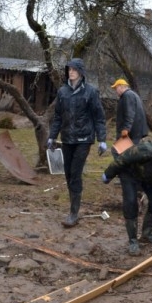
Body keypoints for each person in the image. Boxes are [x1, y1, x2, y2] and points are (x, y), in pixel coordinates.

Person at [48, 58, 107, 227]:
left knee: (75, 172)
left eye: (74, 69)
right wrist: (52, 136)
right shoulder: (62, 92)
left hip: (84, 138)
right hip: (67, 138)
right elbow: (58, 116)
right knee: (68, 173)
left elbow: (99, 117)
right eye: (69, 69)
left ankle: (74, 213)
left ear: (81, 72)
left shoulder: (90, 92)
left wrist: (102, 139)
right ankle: (73, 206)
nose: (70, 72)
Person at [111, 77, 149, 255]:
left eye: (116, 88)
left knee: (118, 154)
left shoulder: (127, 96)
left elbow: (131, 113)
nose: (115, 91)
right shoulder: (134, 95)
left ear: (122, 86)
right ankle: (139, 190)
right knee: (127, 158)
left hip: (130, 134)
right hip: (137, 133)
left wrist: (125, 128)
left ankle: (136, 189)